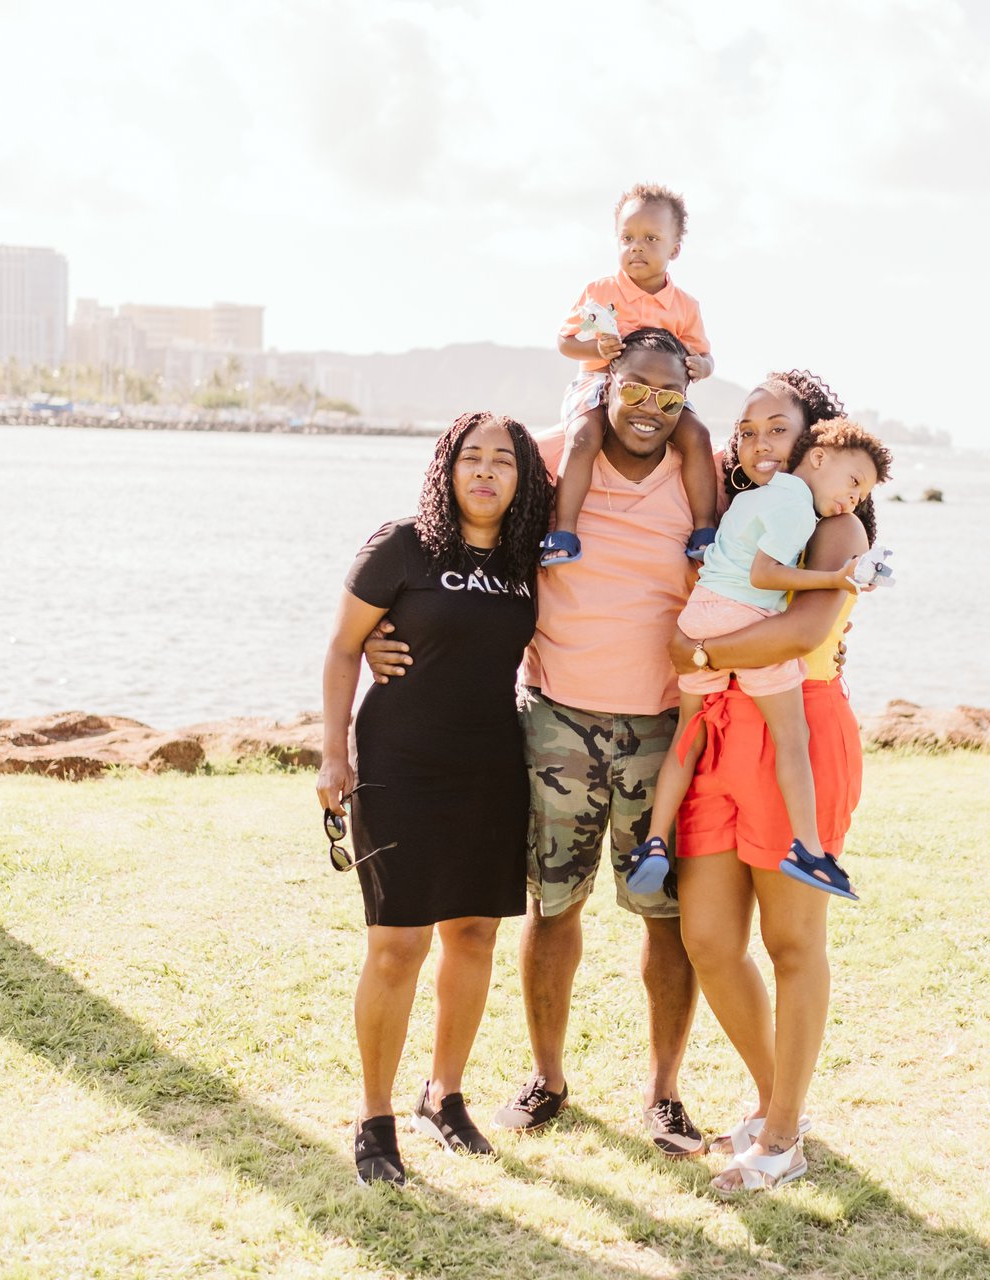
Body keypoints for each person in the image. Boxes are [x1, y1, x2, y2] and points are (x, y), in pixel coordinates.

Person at [365, 328, 713, 1158]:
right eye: (635, 389)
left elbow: (795, 510)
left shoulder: (705, 474)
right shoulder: (554, 455)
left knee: (665, 918)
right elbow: (458, 506)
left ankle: (663, 1094)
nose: (650, 408)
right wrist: (384, 625)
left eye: (669, 395)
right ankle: (547, 1078)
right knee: (553, 908)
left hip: (663, 730)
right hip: (555, 721)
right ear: (606, 384)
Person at [667, 370, 893, 1194]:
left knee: (793, 944)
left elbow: (800, 631)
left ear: (816, 442)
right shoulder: (751, 514)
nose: (762, 443)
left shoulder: (839, 530)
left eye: (780, 430)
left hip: (799, 730)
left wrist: (696, 652)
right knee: (709, 940)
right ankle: (775, 1104)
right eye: (749, 430)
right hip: (722, 729)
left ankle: (783, 1134)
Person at [316, 410, 555, 1186]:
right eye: (471, 457)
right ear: (447, 469)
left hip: (492, 765)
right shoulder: (403, 544)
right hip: (402, 763)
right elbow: (343, 647)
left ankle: (443, 1095)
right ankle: (374, 1115)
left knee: (475, 934)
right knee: (398, 944)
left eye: (504, 461)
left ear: (524, 479)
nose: (485, 471)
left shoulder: (528, 557)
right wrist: (333, 753)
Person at [622, 422, 885, 902]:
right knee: (792, 737)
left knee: (688, 736)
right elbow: (765, 576)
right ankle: (808, 850)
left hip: (700, 614)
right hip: (743, 618)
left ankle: (655, 841)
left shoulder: (751, 496)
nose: (853, 499)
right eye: (853, 482)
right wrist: (835, 579)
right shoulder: (798, 509)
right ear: (819, 457)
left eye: (862, 494)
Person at [543, 183, 719, 567]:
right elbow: (565, 341)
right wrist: (597, 351)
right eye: (627, 238)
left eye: (651, 238)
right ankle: (564, 531)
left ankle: (705, 530)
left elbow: (704, 354)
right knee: (583, 436)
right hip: (598, 383)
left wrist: (702, 367)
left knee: (698, 436)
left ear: (674, 249)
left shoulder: (684, 306)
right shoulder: (600, 290)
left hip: (660, 394)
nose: (636, 247)